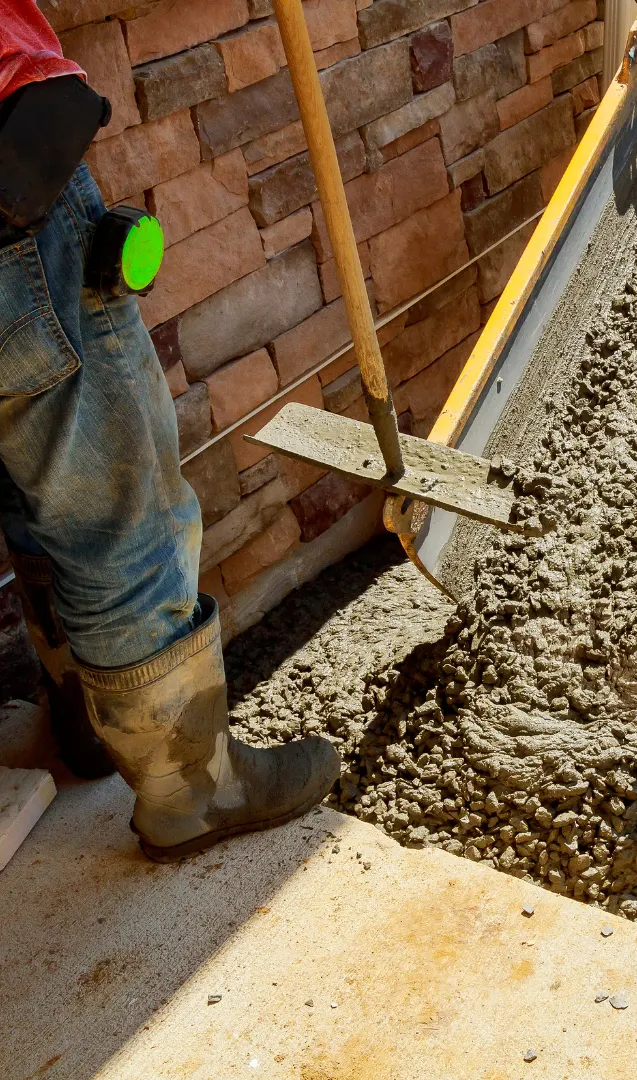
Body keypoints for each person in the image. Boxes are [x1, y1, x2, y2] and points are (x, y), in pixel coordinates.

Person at [0, 0, 339, 861]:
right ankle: (190, 789)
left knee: (23, 477)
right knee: (117, 505)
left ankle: (83, 724)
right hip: (9, 176)